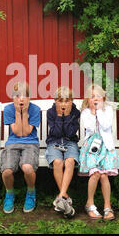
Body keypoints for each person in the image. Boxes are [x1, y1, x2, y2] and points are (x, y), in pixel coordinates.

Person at [79, 84, 119, 220]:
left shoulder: (107, 110)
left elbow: (106, 125)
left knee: (104, 175)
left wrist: (99, 111)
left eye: (98, 96)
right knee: (95, 173)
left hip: (106, 147)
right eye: (92, 97)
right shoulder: (85, 112)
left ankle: (107, 206)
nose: (95, 99)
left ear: (103, 98)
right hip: (91, 148)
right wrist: (92, 112)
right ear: (87, 100)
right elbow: (89, 127)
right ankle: (90, 203)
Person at [0, 82, 41, 214]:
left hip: (30, 143)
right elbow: (17, 132)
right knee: (6, 171)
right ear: (13, 98)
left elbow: (26, 132)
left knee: (27, 168)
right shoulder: (8, 109)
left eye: (25, 95)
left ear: (29, 98)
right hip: (12, 143)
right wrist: (18, 112)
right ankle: (9, 194)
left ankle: (30, 193)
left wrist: (24, 112)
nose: (21, 99)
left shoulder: (35, 109)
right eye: (17, 96)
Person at [45, 86, 80, 218]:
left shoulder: (76, 113)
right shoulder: (51, 112)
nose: (64, 104)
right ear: (55, 101)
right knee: (58, 162)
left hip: (70, 142)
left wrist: (68, 116)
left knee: (70, 161)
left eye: (67, 100)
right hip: (54, 143)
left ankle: (60, 197)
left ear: (71, 101)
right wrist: (60, 116)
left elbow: (71, 133)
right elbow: (55, 132)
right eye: (60, 100)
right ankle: (65, 196)